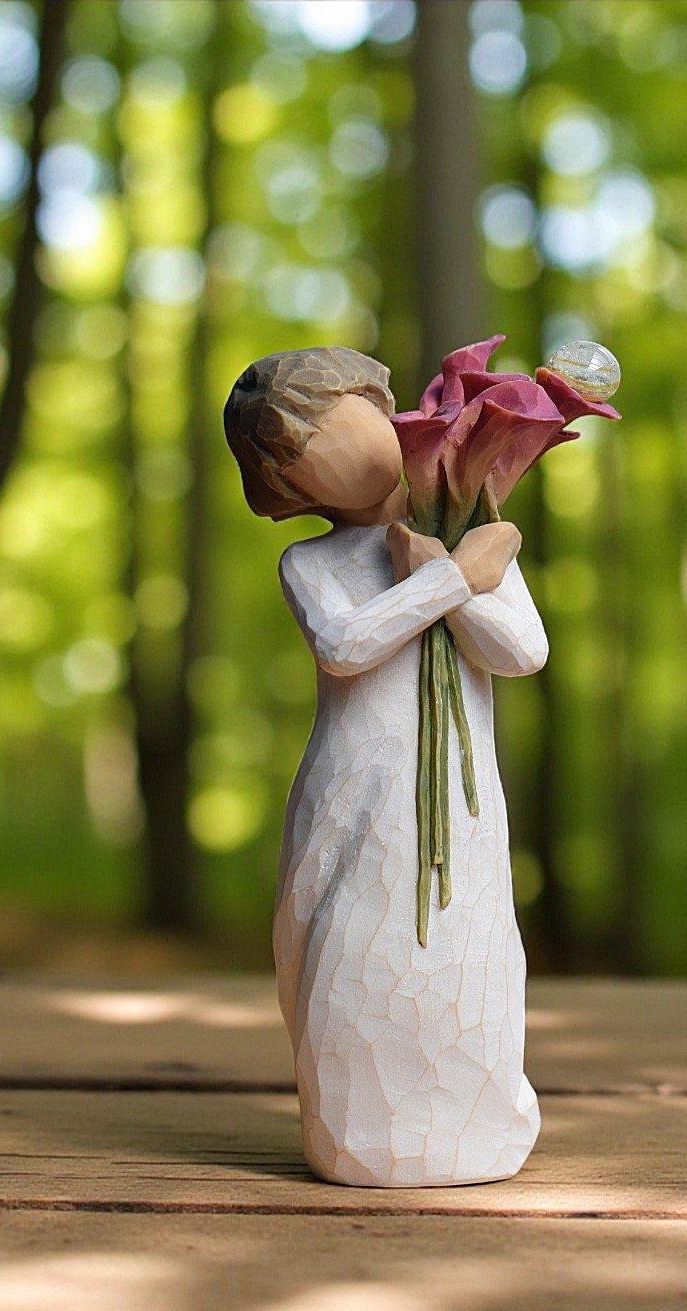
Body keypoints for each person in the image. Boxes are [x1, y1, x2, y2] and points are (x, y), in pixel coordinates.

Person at [224, 347, 545, 1187]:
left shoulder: (468, 524)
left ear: (383, 405)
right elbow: (344, 647)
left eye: (336, 428)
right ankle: (353, 1125)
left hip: (459, 798)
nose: (335, 461)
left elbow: (523, 653)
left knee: (462, 939)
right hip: (356, 788)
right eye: (298, 463)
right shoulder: (312, 564)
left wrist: (457, 573)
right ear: (286, 494)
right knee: (347, 944)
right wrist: (448, 584)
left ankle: (476, 1120)